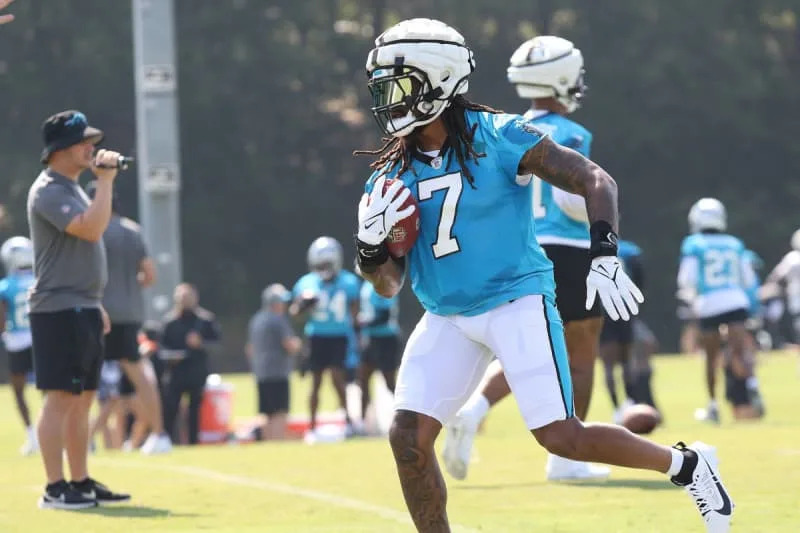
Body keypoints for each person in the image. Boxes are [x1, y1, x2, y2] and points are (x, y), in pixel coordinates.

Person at [354, 19, 732, 533]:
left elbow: (595, 180)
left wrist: (604, 255)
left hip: (515, 300)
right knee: (407, 439)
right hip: (446, 315)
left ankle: (689, 465)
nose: (387, 99)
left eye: (399, 85)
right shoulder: (390, 173)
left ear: (438, 80)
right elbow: (388, 283)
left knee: (562, 437)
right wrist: (370, 249)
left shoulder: (502, 135)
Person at [443, 35, 610, 481]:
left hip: (523, 252)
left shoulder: (506, 128)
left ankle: (475, 409)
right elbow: (576, 198)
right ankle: (566, 459)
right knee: (579, 354)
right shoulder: (573, 133)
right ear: (561, 79)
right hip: (570, 251)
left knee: (528, 348)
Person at [27, 110, 130, 509]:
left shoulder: (71, 187)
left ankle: (80, 480)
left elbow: (88, 238)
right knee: (61, 399)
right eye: (83, 142)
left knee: (84, 398)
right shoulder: (49, 189)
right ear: (60, 149)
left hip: (81, 306)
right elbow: (90, 229)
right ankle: (55, 488)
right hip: (59, 308)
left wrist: (95, 303)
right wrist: (104, 181)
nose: (91, 147)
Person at [85, 181, 171, 454]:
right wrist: (130, 285)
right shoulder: (133, 232)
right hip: (130, 313)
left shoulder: (90, 231)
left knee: (85, 377)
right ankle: (160, 434)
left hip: (97, 312)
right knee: (140, 373)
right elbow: (150, 275)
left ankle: (82, 439)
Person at [678, 198, 763, 424]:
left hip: (709, 303)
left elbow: (687, 279)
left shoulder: (693, 243)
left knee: (711, 357)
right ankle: (753, 387)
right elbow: (747, 279)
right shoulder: (735, 243)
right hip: (736, 300)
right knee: (741, 351)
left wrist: (691, 299)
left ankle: (713, 406)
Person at [290, 237, 361, 437]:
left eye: (327, 264)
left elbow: (355, 312)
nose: (324, 268)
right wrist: (303, 305)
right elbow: (294, 312)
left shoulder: (348, 282)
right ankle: (312, 425)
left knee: (338, 379)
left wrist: (357, 333)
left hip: (339, 336)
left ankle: (347, 420)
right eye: (320, 264)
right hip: (317, 337)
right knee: (316, 381)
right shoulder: (306, 283)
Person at [161, 283, 220, 445]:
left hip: (197, 372)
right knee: (171, 409)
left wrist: (200, 344)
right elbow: (162, 348)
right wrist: (171, 357)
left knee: (195, 410)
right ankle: (168, 441)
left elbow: (216, 345)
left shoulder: (205, 320)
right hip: (176, 372)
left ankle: (194, 441)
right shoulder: (169, 322)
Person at [246, 283, 303, 440]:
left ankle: (267, 444)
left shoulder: (256, 320)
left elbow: (250, 349)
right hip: (278, 372)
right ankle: (277, 442)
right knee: (279, 412)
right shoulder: (278, 321)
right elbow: (289, 345)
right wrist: (298, 345)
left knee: (267, 413)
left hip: (261, 372)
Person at [0, 236, 38, 455]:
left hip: (16, 341)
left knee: (19, 391)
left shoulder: (6, 286)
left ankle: (32, 434)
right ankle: (49, 431)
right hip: (41, 338)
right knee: (50, 389)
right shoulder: (39, 279)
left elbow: (2, 320)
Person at [600, 239, 644, 422]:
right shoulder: (628, 250)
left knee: (608, 365)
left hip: (602, 310)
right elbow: (640, 279)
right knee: (627, 361)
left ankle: (618, 409)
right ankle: (630, 403)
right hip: (625, 307)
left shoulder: (587, 247)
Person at [358, 281, 401, 425]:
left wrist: (364, 322)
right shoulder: (366, 285)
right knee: (363, 379)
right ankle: (363, 421)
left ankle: (406, 416)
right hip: (370, 338)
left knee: (389, 382)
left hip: (386, 339)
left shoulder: (383, 283)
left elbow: (384, 315)